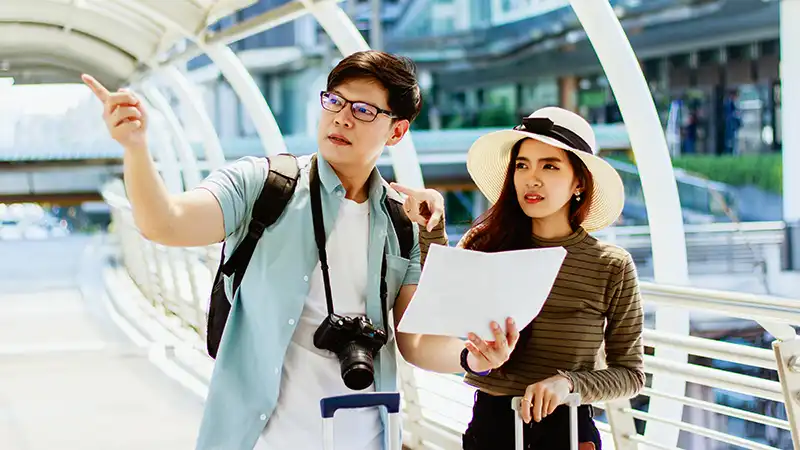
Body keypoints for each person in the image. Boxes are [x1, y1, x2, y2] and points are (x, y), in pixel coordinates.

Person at [81, 50, 519, 450]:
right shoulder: (263, 185)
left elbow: (416, 343)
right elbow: (166, 222)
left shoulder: (401, 222)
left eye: (364, 110)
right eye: (335, 101)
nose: (343, 119)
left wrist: (471, 357)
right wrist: (136, 149)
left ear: (397, 130)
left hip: (367, 438)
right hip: (262, 440)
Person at [393, 106, 645, 449]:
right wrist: (431, 230)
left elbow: (630, 375)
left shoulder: (610, 265)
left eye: (550, 166)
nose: (532, 178)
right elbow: (441, 310)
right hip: (490, 429)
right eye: (522, 165)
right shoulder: (485, 245)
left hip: (568, 433)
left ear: (579, 183)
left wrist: (568, 384)